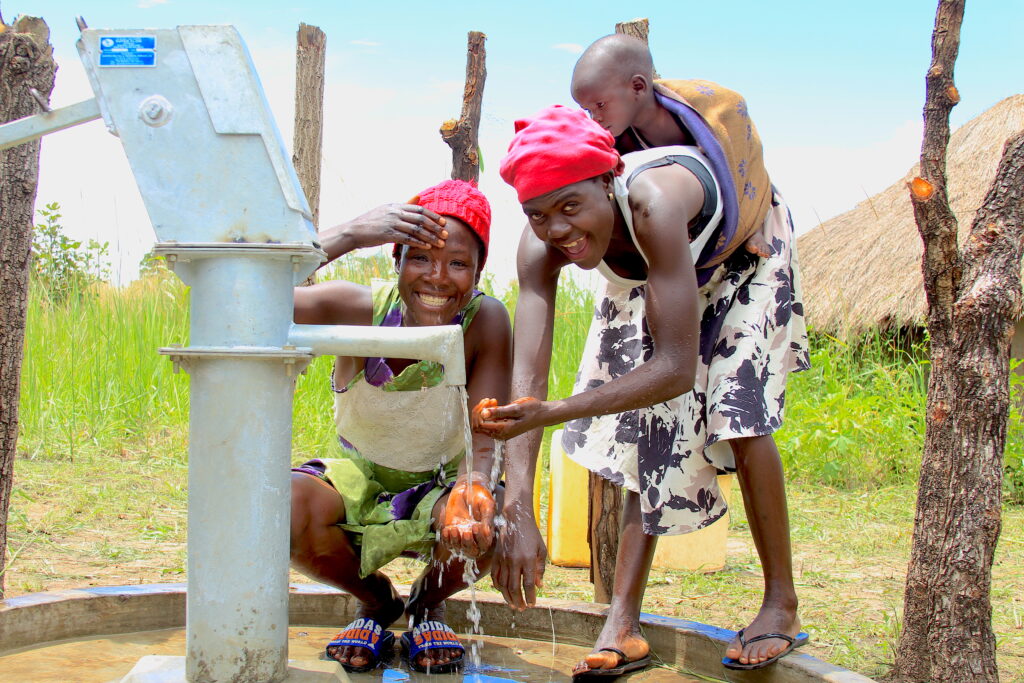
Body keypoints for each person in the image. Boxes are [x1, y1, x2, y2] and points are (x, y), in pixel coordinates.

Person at [475, 39, 809, 677]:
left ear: (609, 181)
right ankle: (622, 622)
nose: (559, 230)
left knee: (738, 413)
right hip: (655, 274)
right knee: (644, 430)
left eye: (572, 207)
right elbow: (527, 379)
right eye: (540, 215)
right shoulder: (541, 242)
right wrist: (517, 504)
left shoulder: (653, 201)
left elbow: (676, 369)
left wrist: (554, 412)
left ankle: (780, 604)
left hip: (743, 258)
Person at [290, 179, 511, 674]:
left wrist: (472, 485)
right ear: (395, 260)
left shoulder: (485, 320)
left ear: (477, 272)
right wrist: (349, 234)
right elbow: (253, 294)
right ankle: (376, 602)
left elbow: (487, 427)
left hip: (439, 481)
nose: (437, 278)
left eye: (457, 263)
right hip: (355, 479)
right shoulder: (358, 309)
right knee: (286, 507)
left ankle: (427, 605)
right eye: (419, 259)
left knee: (485, 519)